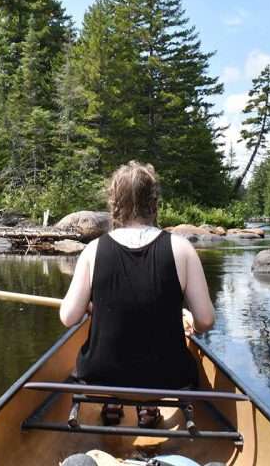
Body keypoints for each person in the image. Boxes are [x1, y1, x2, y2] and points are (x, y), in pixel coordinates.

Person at [59, 161, 215, 419]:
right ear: (154, 201)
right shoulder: (183, 248)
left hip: (100, 378)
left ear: (114, 202)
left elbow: (68, 318)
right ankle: (149, 406)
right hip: (170, 379)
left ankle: (113, 403)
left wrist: (89, 306)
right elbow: (206, 320)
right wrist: (192, 321)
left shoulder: (93, 249)